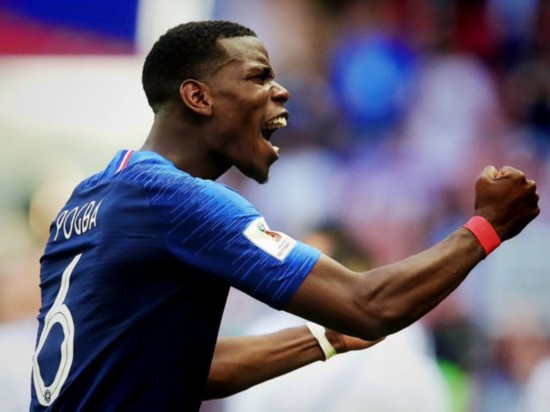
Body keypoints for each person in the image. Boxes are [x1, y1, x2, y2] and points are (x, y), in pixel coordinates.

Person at [30, 20, 539, 411]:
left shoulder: (91, 196)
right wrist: (487, 227)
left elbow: (182, 366)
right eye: (258, 77)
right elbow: (367, 304)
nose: (282, 91)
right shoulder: (178, 199)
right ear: (198, 96)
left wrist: (328, 337)